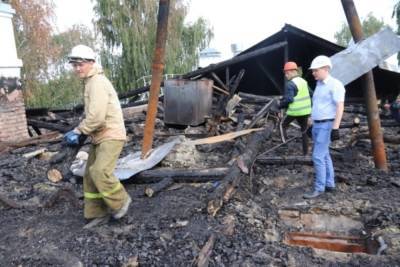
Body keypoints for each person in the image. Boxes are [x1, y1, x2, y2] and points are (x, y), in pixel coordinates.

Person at [64, 44, 131, 227]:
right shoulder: (90, 82)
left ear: (91, 63)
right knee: (89, 174)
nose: (77, 68)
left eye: (81, 64)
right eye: (74, 65)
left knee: (99, 171)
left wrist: (78, 131)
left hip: (111, 134)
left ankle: (121, 201)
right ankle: (97, 213)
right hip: (100, 136)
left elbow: (97, 116)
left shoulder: (97, 83)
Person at [303, 55, 345, 199]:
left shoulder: (335, 84)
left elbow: (340, 106)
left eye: (316, 70)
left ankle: (319, 188)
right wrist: (310, 123)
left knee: (317, 156)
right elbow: (317, 106)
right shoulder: (319, 85)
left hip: (327, 124)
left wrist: (336, 127)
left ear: (326, 69)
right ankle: (330, 184)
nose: (313, 73)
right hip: (317, 125)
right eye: (313, 70)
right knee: (325, 155)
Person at [279, 61, 312, 155]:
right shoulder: (303, 82)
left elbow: (289, 99)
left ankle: (284, 146)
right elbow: (311, 94)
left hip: (294, 112)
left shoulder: (290, 84)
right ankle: (305, 153)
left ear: (293, 72)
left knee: (282, 125)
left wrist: (280, 105)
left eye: (287, 73)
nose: (286, 75)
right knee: (304, 131)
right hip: (305, 112)